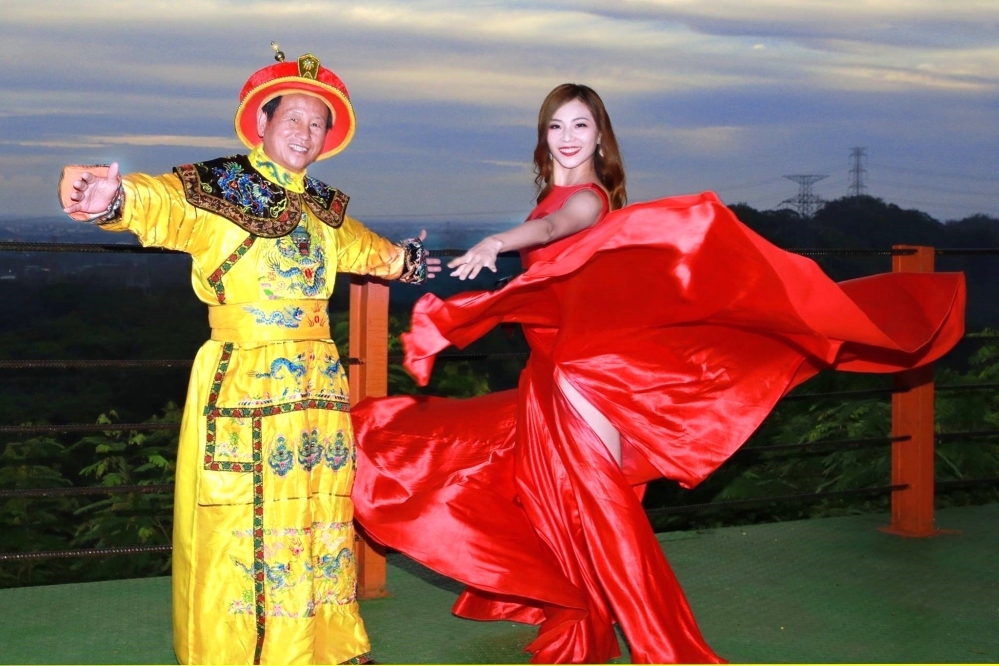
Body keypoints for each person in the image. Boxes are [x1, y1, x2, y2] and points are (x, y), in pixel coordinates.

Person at [351, 83, 966, 664]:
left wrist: (497, 243)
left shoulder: (586, 198)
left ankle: (667, 646)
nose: (568, 137)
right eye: (556, 126)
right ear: (544, 137)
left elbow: (552, 229)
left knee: (601, 509)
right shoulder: (556, 196)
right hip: (554, 371)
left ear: (600, 137)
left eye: (581, 125)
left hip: (581, 377)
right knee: (547, 492)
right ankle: (580, 613)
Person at [61, 48, 440, 666]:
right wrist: (112, 198)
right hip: (247, 380)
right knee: (248, 517)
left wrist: (410, 260)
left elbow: (370, 251)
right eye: (293, 118)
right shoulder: (217, 190)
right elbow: (161, 204)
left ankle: (327, 646)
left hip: (318, 388)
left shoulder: (323, 207)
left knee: (320, 509)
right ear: (262, 123)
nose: (305, 132)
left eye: (317, 123)